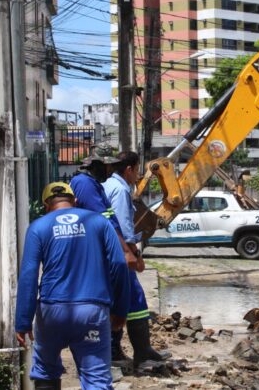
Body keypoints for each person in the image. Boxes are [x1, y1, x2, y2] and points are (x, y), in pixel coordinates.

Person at [15, 182, 130, 390]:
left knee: (45, 372)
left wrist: (23, 321)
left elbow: (29, 275)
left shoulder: (38, 227)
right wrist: (121, 310)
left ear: (46, 205)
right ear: (74, 201)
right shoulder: (98, 222)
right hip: (92, 311)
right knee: (96, 379)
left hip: (52, 312)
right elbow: (120, 264)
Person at [103, 151, 169, 366]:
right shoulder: (121, 189)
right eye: (137, 170)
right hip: (120, 253)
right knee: (136, 300)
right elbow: (123, 226)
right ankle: (141, 350)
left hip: (109, 252)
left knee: (118, 302)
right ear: (129, 169)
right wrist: (134, 254)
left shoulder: (107, 186)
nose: (139, 175)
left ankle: (116, 350)